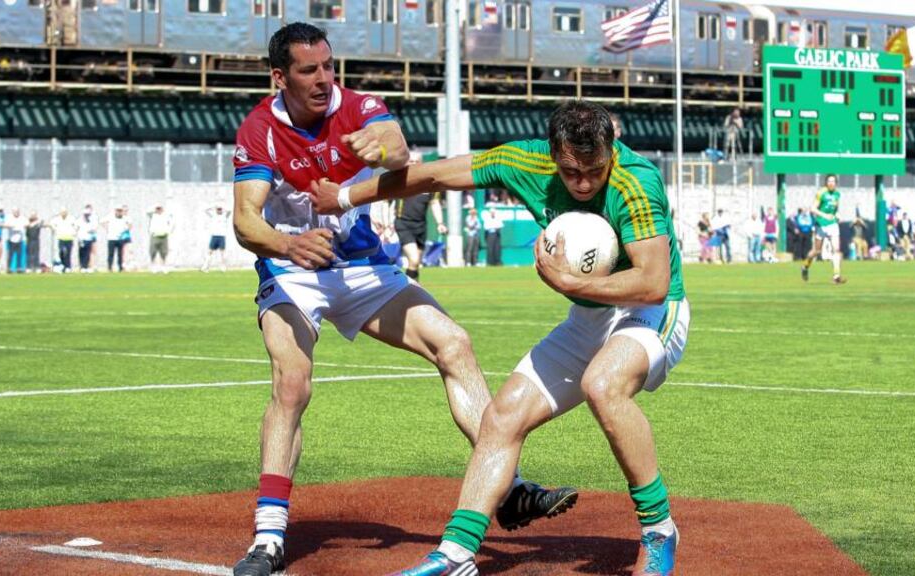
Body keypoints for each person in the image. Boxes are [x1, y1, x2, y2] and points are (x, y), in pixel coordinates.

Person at [229, 22, 572, 576]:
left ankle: (505, 488)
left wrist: (382, 147)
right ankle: (268, 538)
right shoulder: (259, 129)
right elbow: (247, 221)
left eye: (328, 66)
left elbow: (397, 146)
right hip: (293, 270)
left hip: (364, 266)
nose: (323, 79)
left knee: (454, 344)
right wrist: (290, 243)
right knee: (291, 380)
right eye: (308, 71)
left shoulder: (359, 105)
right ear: (279, 77)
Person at [310, 100, 689, 576]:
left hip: (653, 311)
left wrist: (572, 285)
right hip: (590, 316)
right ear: (553, 153)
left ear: (611, 151)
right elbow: (431, 176)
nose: (586, 183)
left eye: (595, 170)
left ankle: (658, 529)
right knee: (501, 416)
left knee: (603, 385)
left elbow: (652, 282)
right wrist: (344, 200)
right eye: (572, 172)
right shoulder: (522, 161)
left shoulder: (636, 181)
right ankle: (456, 554)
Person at [394, 151, 447, 281]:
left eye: (415, 161)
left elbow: (434, 203)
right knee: (414, 259)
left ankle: (412, 289)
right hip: (403, 224)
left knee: (415, 264)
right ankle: (407, 290)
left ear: (421, 163)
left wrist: (440, 223)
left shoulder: (429, 183)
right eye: (410, 161)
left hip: (421, 227)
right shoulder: (398, 180)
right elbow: (385, 201)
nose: (412, 164)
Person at [801, 175, 846, 284]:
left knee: (836, 250)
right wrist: (824, 215)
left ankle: (836, 276)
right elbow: (813, 208)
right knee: (816, 251)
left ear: (836, 183)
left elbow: (835, 209)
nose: (831, 183)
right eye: (829, 181)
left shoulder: (837, 194)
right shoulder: (821, 193)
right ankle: (805, 266)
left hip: (833, 224)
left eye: (833, 181)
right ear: (826, 183)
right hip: (821, 225)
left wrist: (837, 215)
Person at [201, 204, 232, 272]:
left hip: (221, 236)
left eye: (220, 209)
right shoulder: (213, 216)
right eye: (218, 209)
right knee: (209, 252)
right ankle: (205, 267)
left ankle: (223, 267)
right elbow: (205, 210)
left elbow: (230, 211)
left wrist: (223, 207)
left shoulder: (224, 216)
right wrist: (213, 207)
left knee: (222, 253)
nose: (219, 210)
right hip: (214, 236)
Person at [49, 208, 77, 273]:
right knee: (61, 251)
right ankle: (63, 265)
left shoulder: (71, 218)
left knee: (68, 253)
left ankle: (68, 267)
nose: (63, 213)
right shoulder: (57, 219)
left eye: (64, 212)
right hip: (61, 238)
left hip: (69, 238)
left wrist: (73, 232)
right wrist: (55, 229)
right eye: (62, 212)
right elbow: (51, 224)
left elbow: (76, 226)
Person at [147, 204, 173, 273]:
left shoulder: (166, 216)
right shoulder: (152, 215)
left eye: (160, 208)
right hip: (155, 236)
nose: (159, 210)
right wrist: (154, 209)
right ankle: (153, 266)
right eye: (157, 209)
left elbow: (171, 223)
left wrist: (168, 231)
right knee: (153, 251)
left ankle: (163, 266)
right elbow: (148, 211)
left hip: (164, 236)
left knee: (164, 252)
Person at [104, 206, 130, 272]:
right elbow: (102, 221)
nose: (119, 212)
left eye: (120, 211)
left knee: (120, 254)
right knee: (111, 254)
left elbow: (129, 224)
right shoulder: (110, 216)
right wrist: (106, 228)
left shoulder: (124, 218)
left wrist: (125, 230)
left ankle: (120, 267)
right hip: (111, 238)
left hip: (120, 238)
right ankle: (110, 267)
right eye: (118, 210)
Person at [76, 204, 99, 273]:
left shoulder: (92, 219)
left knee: (88, 252)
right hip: (82, 238)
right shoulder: (80, 220)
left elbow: (94, 228)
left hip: (89, 238)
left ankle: (87, 266)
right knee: (82, 252)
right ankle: (82, 266)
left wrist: (91, 230)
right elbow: (76, 228)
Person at [5, 208, 28, 273]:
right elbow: (6, 225)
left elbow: (27, 224)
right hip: (11, 239)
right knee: (10, 255)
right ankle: (9, 268)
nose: (16, 213)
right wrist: (11, 226)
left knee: (19, 255)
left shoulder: (22, 218)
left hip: (20, 239)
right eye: (15, 211)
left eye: (17, 211)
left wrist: (23, 226)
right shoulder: (10, 218)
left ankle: (19, 268)